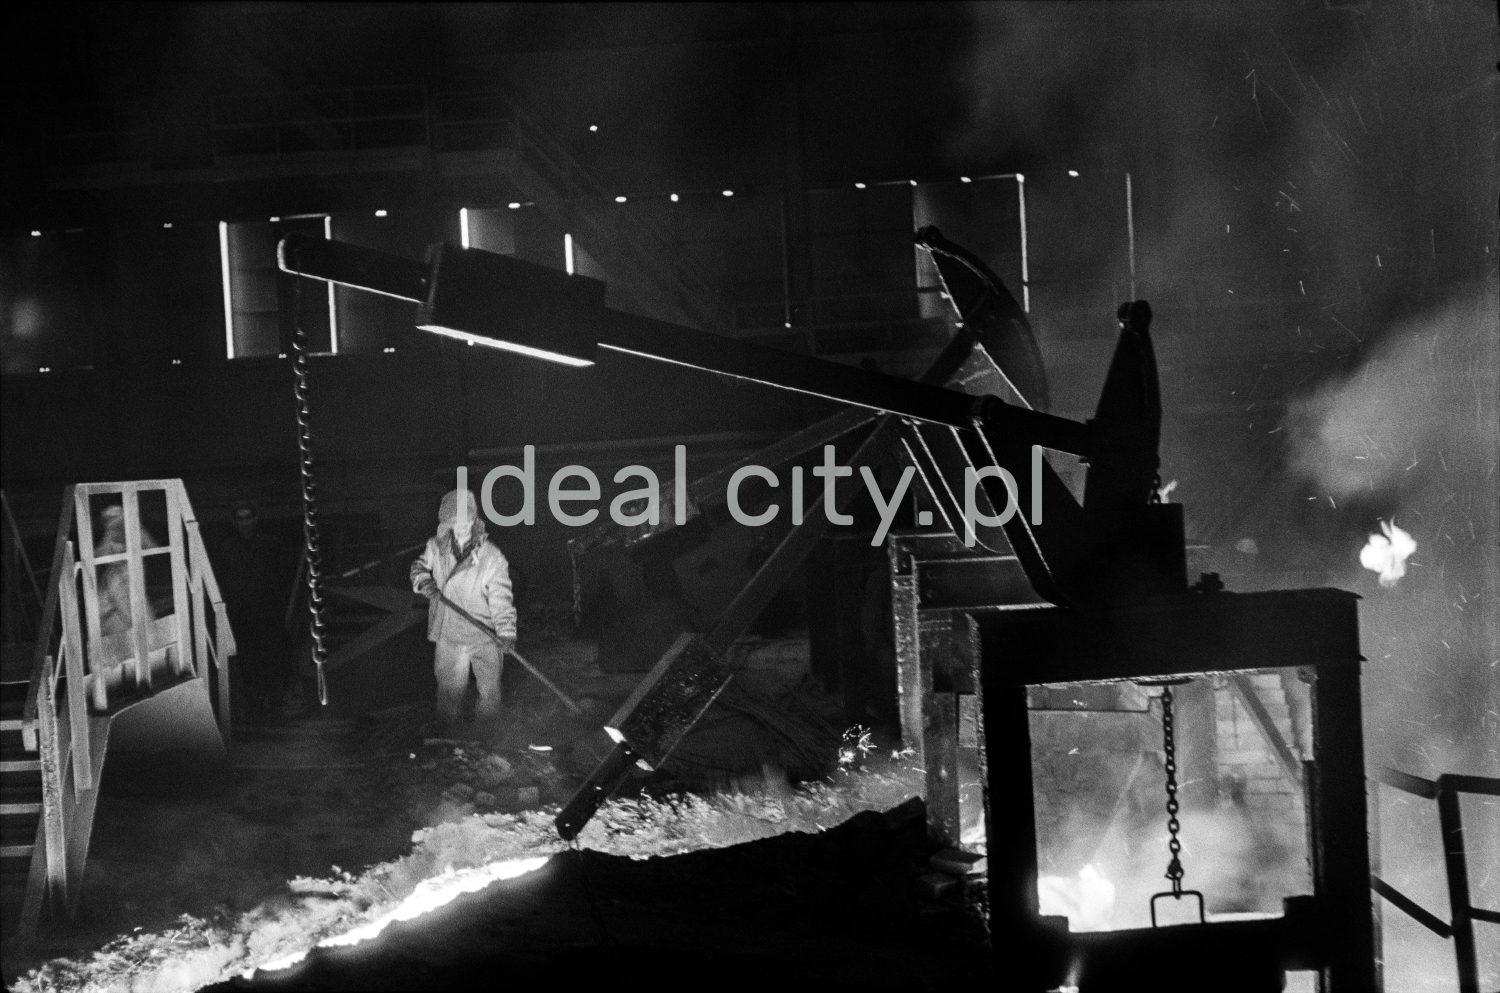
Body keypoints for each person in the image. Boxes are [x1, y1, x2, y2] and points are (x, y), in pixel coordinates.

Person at [410, 489, 516, 738]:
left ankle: (488, 735)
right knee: (449, 689)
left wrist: (507, 631)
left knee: (490, 689)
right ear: (446, 524)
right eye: (454, 523)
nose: (461, 528)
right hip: (449, 633)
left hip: (484, 634)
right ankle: (449, 734)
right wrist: (424, 580)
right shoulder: (435, 548)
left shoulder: (491, 556)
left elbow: (501, 598)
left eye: (465, 522)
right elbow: (418, 567)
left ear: (474, 521)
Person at [213, 500, 289, 721]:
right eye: (240, 518)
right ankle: (255, 703)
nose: (245, 522)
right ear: (234, 522)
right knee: (247, 658)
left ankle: (276, 701)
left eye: (248, 517)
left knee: (271, 655)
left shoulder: (271, 544)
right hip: (241, 612)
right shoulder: (226, 548)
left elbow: (281, 575)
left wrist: (277, 604)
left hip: (267, 610)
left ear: (256, 519)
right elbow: (223, 579)